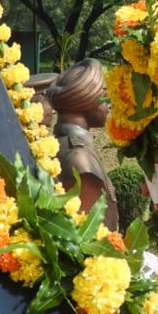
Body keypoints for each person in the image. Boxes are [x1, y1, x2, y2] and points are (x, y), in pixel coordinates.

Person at [45, 58, 118, 230]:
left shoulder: (57, 144)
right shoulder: (80, 160)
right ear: (89, 99)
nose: (109, 104)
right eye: (105, 95)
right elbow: (92, 233)